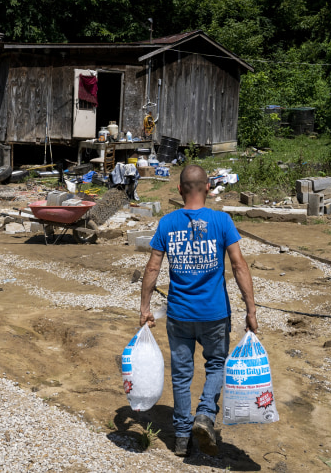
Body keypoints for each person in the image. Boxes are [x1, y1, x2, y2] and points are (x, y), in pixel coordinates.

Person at [139, 164, 258, 457]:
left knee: (181, 374)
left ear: (179, 190)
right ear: (207, 188)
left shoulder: (167, 223)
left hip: (179, 314)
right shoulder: (222, 221)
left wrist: (145, 308)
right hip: (215, 314)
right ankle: (205, 414)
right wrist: (251, 309)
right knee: (216, 364)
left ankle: (181, 438)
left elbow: (153, 266)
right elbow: (239, 265)